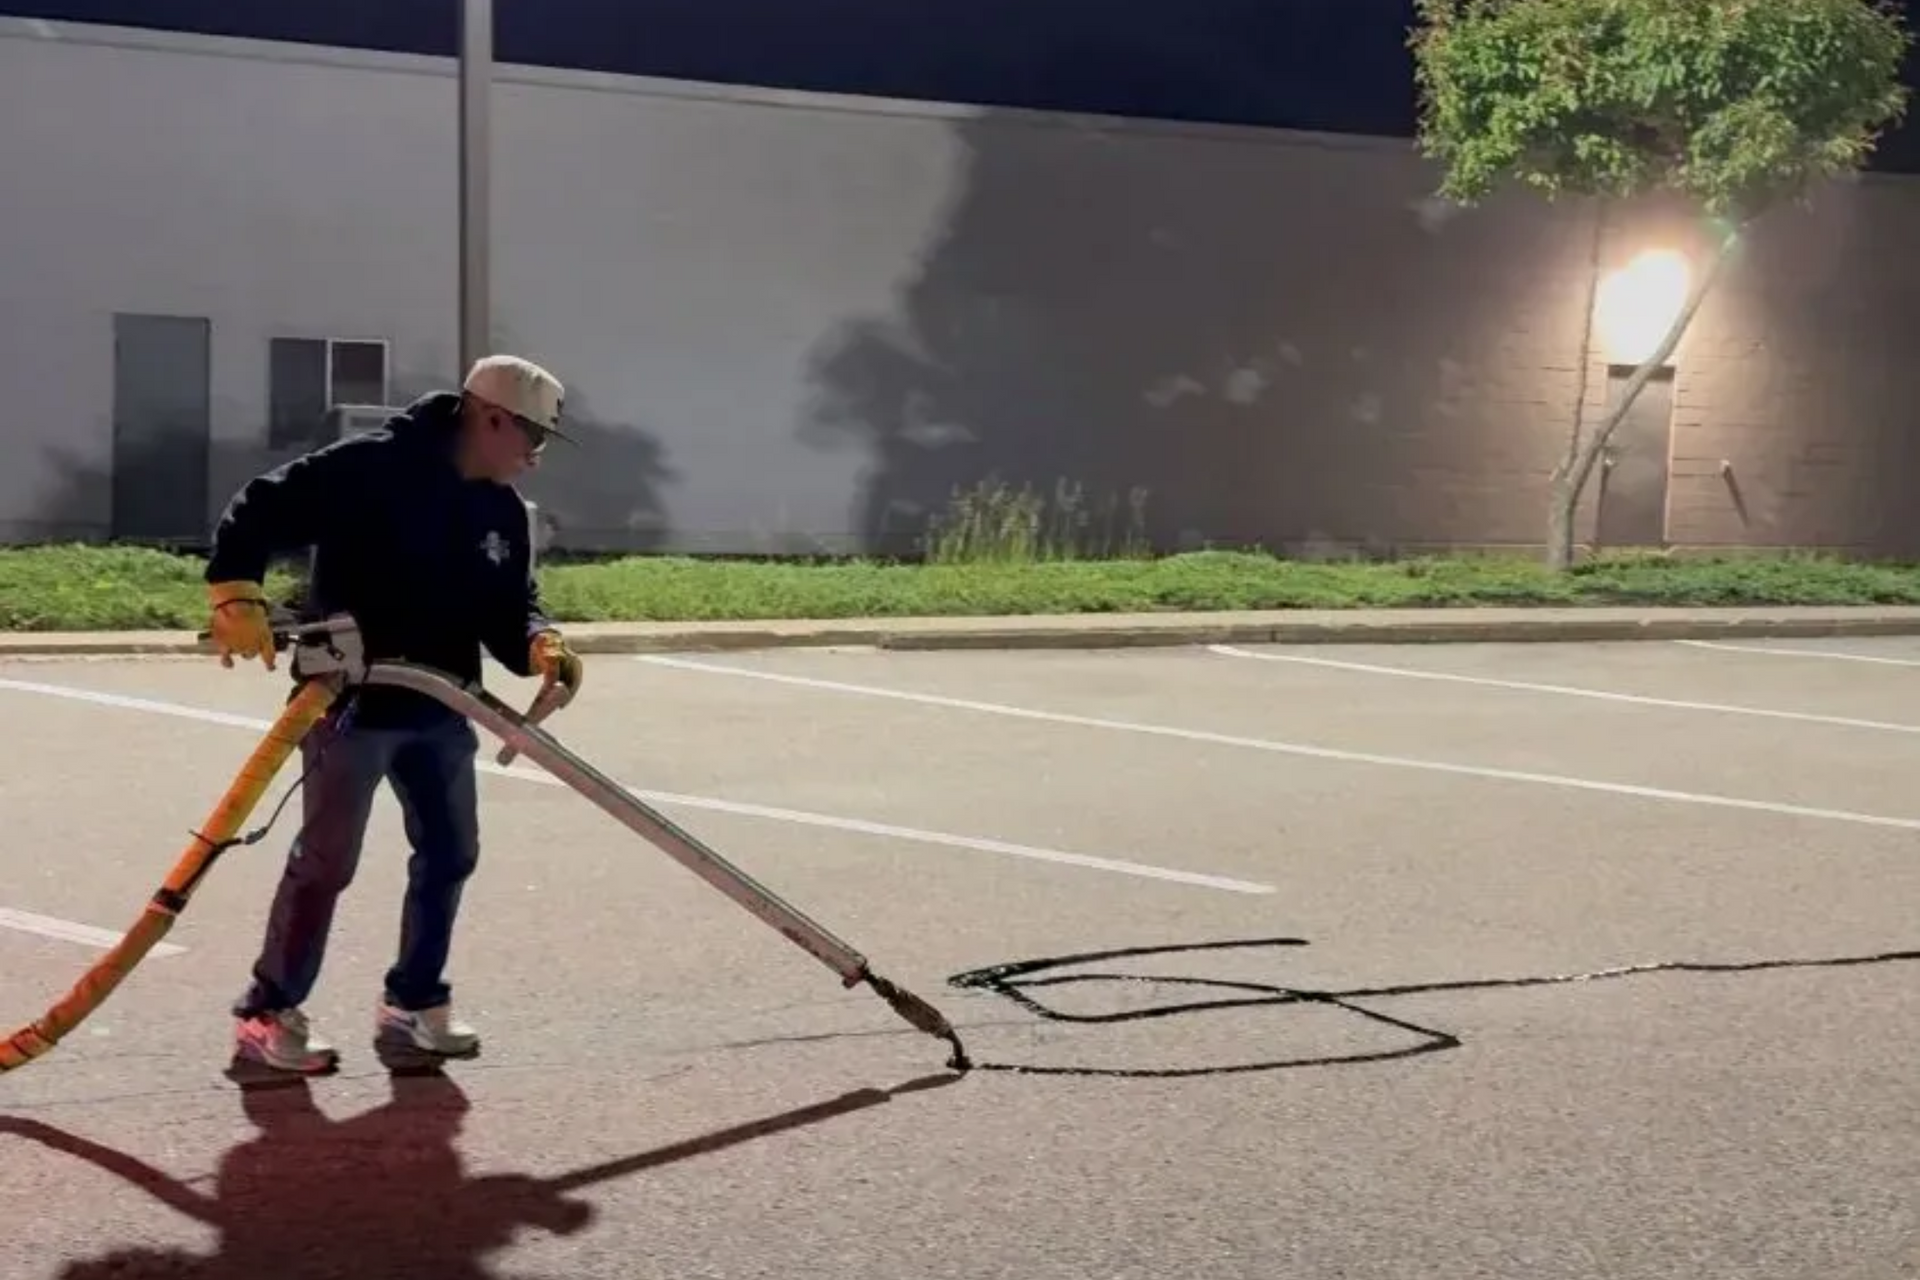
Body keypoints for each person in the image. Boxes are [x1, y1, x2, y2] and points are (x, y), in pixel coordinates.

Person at [202, 354, 586, 1074]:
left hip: (442, 704)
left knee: (450, 853)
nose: (535, 458)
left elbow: (507, 606)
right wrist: (234, 588)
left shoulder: (498, 507)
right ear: (491, 417)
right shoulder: (371, 468)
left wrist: (541, 641)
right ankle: (266, 1010)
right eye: (531, 437)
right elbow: (261, 506)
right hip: (348, 702)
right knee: (326, 863)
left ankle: (413, 1000)